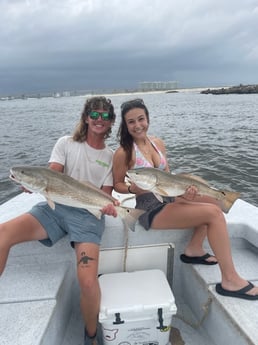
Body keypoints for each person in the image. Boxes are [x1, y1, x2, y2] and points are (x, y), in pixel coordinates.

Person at [113, 98, 258, 300]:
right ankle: (230, 279)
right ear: (125, 125)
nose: (138, 125)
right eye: (131, 122)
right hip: (150, 207)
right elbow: (117, 184)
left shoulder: (157, 144)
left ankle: (194, 249)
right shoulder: (123, 153)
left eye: (141, 119)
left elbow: (168, 176)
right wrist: (132, 188)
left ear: (148, 119)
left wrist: (185, 193)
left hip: (169, 197)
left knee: (213, 201)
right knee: (214, 214)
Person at [0, 96, 118, 345]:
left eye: (105, 116)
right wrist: (32, 183)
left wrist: (107, 207)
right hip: (55, 207)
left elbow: (105, 194)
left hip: (88, 215)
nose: (99, 119)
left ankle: (91, 335)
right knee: (2, 234)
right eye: (94, 114)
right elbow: (51, 174)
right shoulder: (66, 143)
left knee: (87, 282)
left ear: (110, 123)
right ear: (86, 118)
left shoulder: (109, 156)